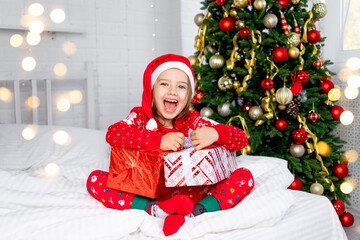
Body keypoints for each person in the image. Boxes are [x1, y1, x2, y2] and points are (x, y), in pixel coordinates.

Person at [87, 54, 254, 236]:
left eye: (181, 86)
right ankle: (159, 210)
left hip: (193, 193)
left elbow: (241, 139)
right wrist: (158, 141)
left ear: (189, 96)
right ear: (151, 90)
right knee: (96, 179)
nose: (173, 91)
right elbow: (114, 133)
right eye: (164, 84)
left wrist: (215, 133)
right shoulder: (140, 118)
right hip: (148, 192)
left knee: (244, 176)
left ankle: (193, 213)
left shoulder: (194, 122)